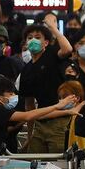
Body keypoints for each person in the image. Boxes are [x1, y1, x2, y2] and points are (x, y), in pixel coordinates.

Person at [0, 76, 78, 158]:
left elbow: (36, 115)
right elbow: (28, 116)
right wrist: (58, 105)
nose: (14, 97)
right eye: (11, 94)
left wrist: (68, 112)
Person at [18, 15, 73, 153]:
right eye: (29, 38)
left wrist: (53, 28)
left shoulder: (52, 54)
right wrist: (30, 135)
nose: (33, 40)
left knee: (59, 162)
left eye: (38, 37)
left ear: (46, 43)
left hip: (61, 118)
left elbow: (67, 49)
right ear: (25, 43)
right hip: (41, 121)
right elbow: (29, 105)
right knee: (37, 162)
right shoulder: (26, 70)